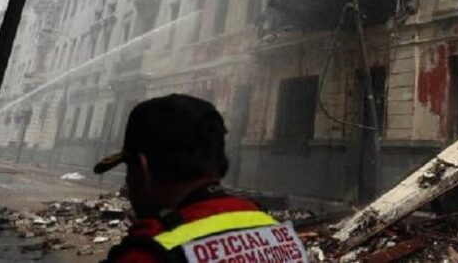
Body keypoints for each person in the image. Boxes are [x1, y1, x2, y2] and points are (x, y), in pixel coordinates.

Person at [95, 94, 308, 263]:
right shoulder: (280, 236)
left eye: (129, 169)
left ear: (142, 170)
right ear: (218, 162)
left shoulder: (147, 254)